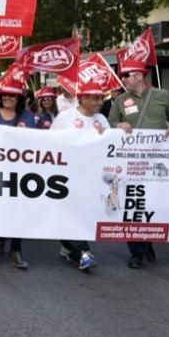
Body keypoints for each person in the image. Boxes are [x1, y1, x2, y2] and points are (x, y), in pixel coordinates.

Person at [108, 58, 169, 269]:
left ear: (138, 76)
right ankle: (136, 252)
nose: (122, 79)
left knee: (152, 203)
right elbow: (110, 122)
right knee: (134, 203)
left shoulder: (162, 96)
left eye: (125, 75)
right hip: (130, 161)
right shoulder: (120, 100)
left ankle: (146, 240)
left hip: (158, 160)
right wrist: (118, 124)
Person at [50, 78, 110, 271]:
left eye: (101, 98)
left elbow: (110, 144)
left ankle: (71, 248)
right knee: (67, 212)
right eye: (95, 98)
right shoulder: (66, 117)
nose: (100, 102)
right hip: (66, 176)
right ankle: (81, 252)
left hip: (90, 178)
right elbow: (49, 142)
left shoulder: (101, 119)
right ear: (83, 98)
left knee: (83, 215)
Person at [0, 72, 34, 269]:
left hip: (20, 172)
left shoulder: (27, 116)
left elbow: (34, 140)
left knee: (17, 209)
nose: (7, 98)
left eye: (12, 96)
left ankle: (16, 248)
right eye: (4, 95)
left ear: (19, 98)